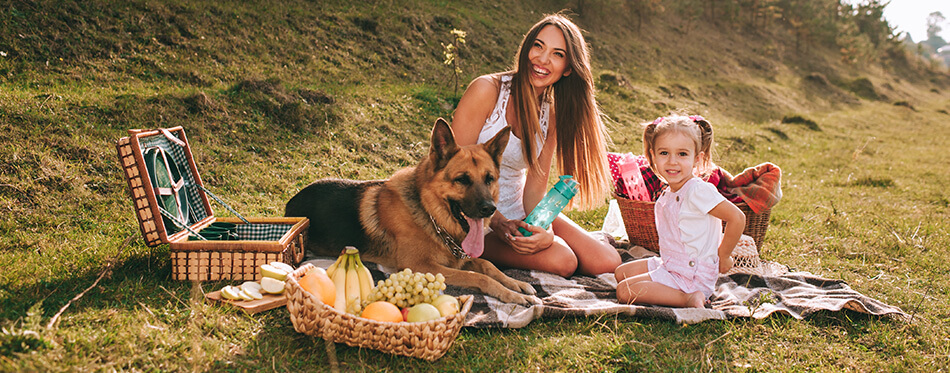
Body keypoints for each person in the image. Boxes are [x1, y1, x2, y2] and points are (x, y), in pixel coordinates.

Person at [452, 14, 621, 277]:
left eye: (557, 54)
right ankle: (468, 247)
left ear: (567, 68)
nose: (542, 60)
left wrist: (547, 230)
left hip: (518, 210)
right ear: (526, 47)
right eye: (538, 46)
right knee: (564, 261)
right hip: (474, 210)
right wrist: (496, 222)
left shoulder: (550, 114)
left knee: (607, 261)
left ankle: (527, 241)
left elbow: (534, 190)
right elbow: (452, 170)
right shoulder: (487, 91)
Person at [614, 115, 745, 308]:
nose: (672, 162)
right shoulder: (669, 192)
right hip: (673, 264)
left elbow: (737, 218)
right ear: (653, 156)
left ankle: (688, 298)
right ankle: (669, 286)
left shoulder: (697, 190)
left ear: (697, 159)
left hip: (692, 275)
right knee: (620, 273)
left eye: (682, 154)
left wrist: (723, 255)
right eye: (664, 153)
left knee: (624, 291)